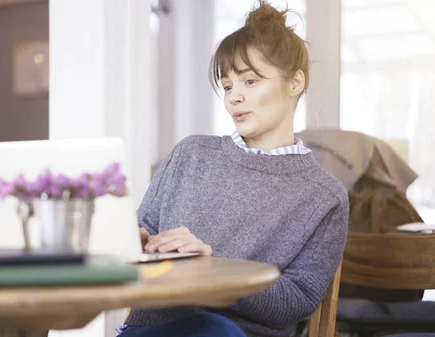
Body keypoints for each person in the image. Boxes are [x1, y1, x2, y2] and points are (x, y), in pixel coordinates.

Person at [117, 1, 349, 337]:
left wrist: (209, 269)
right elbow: (141, 233)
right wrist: (134, 242)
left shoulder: (325, 197)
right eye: (227, 86)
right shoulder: (190, 154)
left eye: (250, 82)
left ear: (295, 83)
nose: (233, 98)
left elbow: (295, 302)